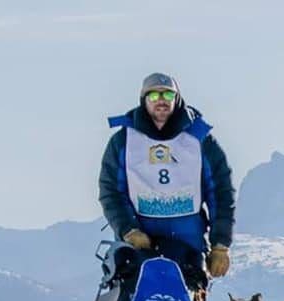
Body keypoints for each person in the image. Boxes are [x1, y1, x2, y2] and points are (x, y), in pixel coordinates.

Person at [98, 72, 235, 283]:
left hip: (188, 246)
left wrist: (220, 244)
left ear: (177, 99)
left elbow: (220, 193)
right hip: (139, 247)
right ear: (144, 100)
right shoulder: (124, 141)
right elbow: (111, 192)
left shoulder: (200, 140)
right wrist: (128, 230)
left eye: (168, 96)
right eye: (154, 96)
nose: (161, 101)